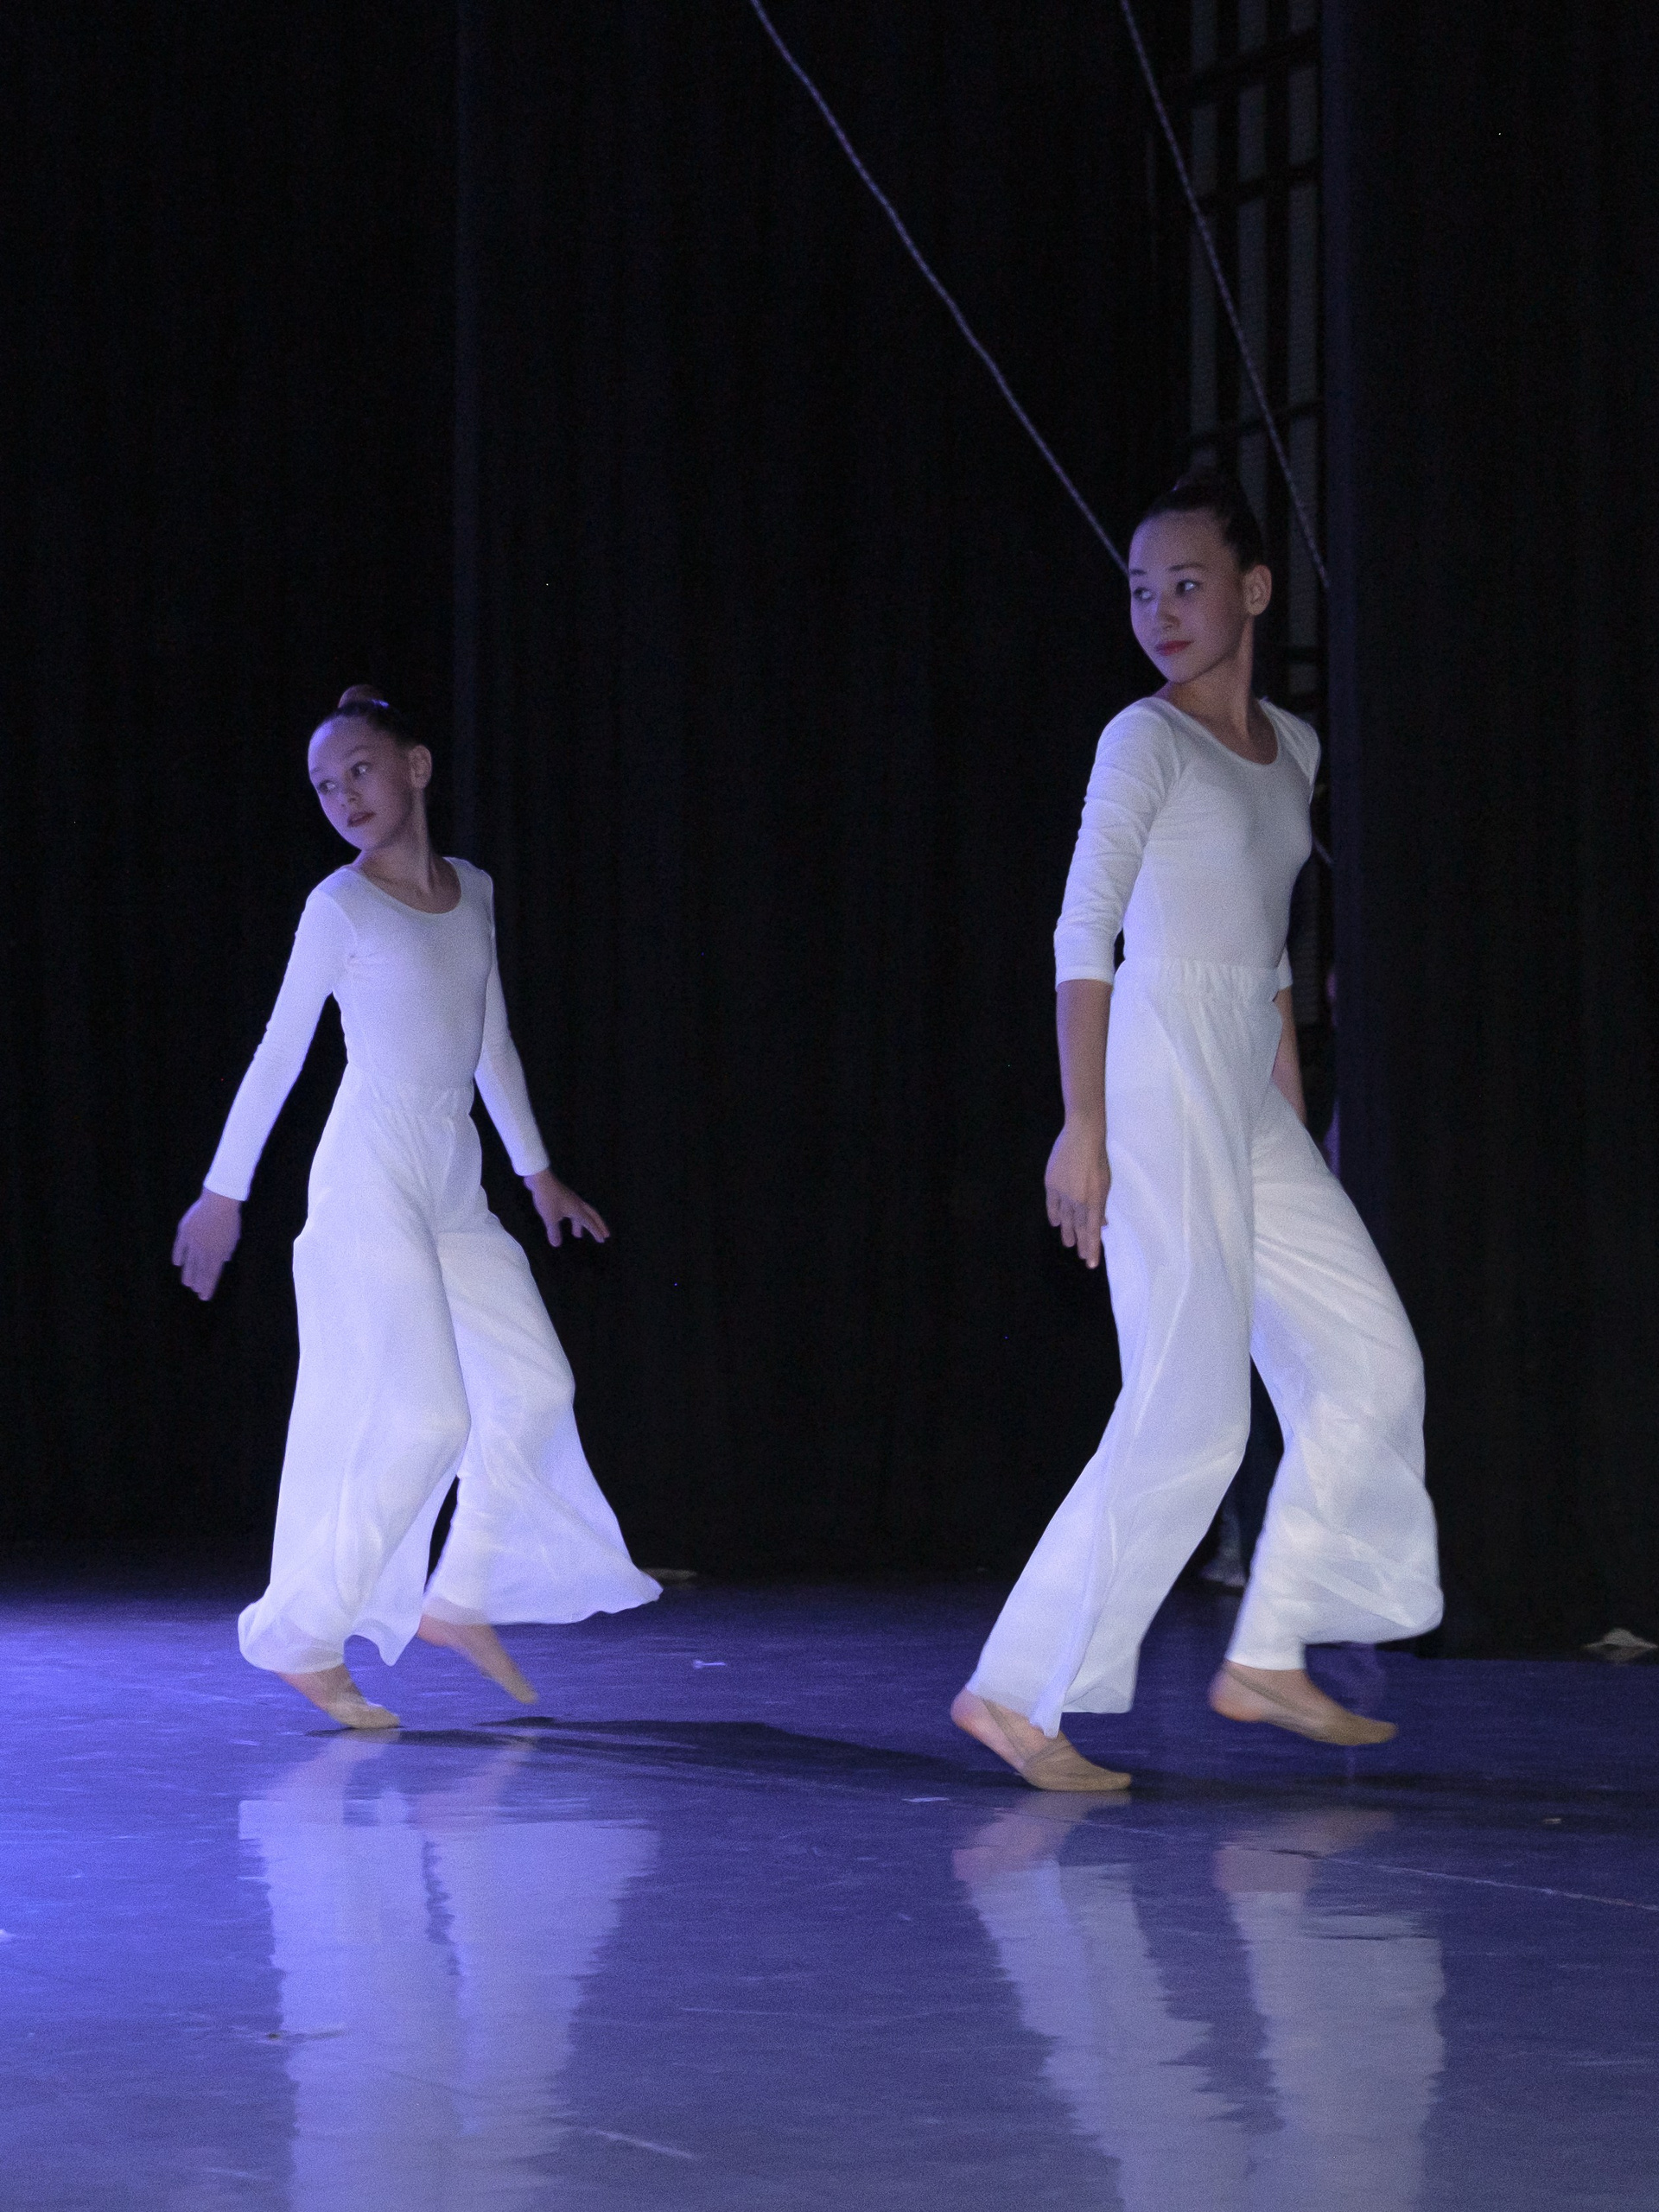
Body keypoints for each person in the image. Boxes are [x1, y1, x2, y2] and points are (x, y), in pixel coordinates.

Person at [951, 475, 1440, 1790]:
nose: (1159, 610)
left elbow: (1269, 954)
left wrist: (1288, 1118)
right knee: (1192, 1408)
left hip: (1243, 1091)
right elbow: (1084, 930)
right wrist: (1084, 1125)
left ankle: (1271, 1647)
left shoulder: (1296, 750)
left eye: (1187, 583)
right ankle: (1015, 1693)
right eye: (1139, 589)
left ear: (1254, 590)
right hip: (1155, 1068)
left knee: (1373, 1364)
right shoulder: (1143, 739)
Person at [173, 688, 658, 1728]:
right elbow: (279, 1053)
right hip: (370, 1173)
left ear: (416, 767)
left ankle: (460, 1596)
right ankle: (304, 1635)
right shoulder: (339, 907)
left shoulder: (473, 890)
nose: (342, 796)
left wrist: (538, 1173)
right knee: (431, 1413)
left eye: (359, 770)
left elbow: (489, 1041)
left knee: (534, 1387)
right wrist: (224, 1190)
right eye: (324, 785)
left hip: (450, 1175)